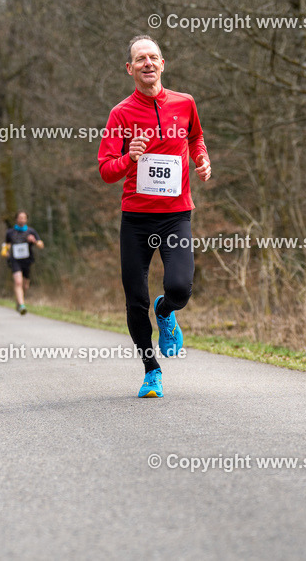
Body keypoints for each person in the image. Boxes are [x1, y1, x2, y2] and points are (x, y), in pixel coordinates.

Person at [97, 35, 211, 398]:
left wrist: (201, 159)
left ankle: (167, 311)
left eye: (153, 57)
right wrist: (129, 157)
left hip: (176, 214)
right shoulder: (120, 113)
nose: (147, 63)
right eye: (140, 59)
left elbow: (196, 138)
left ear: (163, 64)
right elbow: (106, 170)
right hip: (136, 217)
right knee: (135, 300)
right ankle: (151, 370)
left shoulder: (185, 103)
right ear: (130, 69)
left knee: (179, 287)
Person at [3, 210, 44, 315]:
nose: (22, 219)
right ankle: (22, 305)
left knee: (25, 285)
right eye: (20, 217)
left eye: (24, 218)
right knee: (18, 282)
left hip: (27, 260)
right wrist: (5, 251)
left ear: (26, 219)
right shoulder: (10, 232)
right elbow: (6, 244)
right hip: (15, 260)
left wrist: (34, 241)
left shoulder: (31, 231)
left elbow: (41, 245)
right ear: (16, 219)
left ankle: (19, 301)